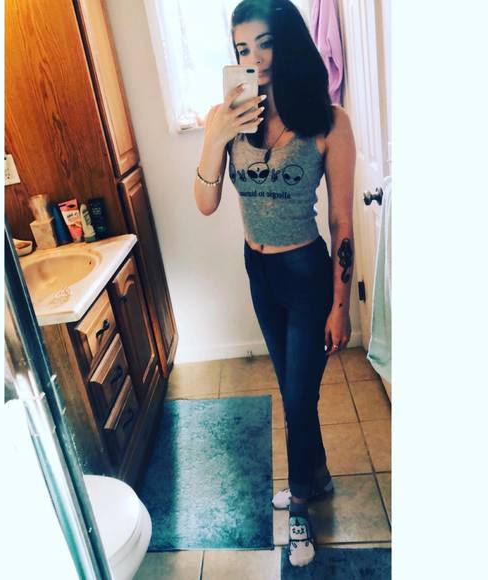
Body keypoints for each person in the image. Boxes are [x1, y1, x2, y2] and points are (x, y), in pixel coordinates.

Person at [193, 0, 356, 568]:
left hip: (306, 274)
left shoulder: (328, 121)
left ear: (288, 42)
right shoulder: (229, 119)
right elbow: (206, 203)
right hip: (258, 272)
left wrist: (341, 305)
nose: (255, 58)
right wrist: (214, 137)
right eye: (242, 49)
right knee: (295, 391)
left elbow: (341, 221)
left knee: (296, 399)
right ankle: (318, 476)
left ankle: (301, 507)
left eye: (264, 43)